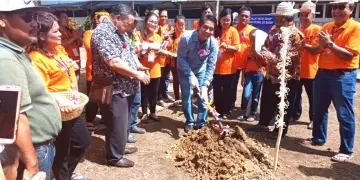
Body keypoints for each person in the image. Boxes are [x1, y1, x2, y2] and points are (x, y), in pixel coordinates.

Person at [0, 1, 62, 179]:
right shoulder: (6, 58)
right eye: (27, 17)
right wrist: (32, 163)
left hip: (40, 146)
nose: (34, 23)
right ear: (2, 20)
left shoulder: (15, 52)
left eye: (34, 17)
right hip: (33, 150)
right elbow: (15, 117)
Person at [28, 12, 90, 180]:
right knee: (62, 152)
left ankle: (64, 174)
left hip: (73, 107)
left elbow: (63, 64)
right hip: (59, 111)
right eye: (55, 31)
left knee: (82, 142)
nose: (60, 34)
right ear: (42, 35)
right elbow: (40, 91)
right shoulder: (37, 59)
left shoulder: (58, 49)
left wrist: (69, 65)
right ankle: (63, 175)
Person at [91, 3, 149, 167]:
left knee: (123, 121)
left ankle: (120, 147)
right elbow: (114, 61)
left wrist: (137, 65)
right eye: (128, 23)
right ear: (117, 18)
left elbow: (128, 52)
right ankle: (114, 157)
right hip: (114, 88)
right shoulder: (103, 32)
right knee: (116, 122)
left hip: (126, 86)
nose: (129, 27)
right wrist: (136, 74)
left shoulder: (120, 32)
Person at [303, 0, 360, 162]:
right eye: (334, 7)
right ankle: (318, 138)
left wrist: (329, 44)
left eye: (342, 7)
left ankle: (346, 150)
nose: (337, 11)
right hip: (322, 73)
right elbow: (316, 50)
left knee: (344, 113)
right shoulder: (327, 27)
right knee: (318, 109)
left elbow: (349, 55)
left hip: (343, 75)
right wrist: (307, 46)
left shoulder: (356, 28)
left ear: (351, 9)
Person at [247, 2, 303, 140]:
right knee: (267, 100)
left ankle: (280, 130)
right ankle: (263, 123)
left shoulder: (296, 36)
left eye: (280, 18)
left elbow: (290, 59)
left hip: (288, 77)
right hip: (271, 74)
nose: (277, 21)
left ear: (288, 18)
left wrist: (271, 57)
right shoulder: (273, 30)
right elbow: (265, 46)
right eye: (276, 17)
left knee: (283, 104)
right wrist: (261, 52)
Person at [178, 14, 219, 132]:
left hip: (201, 70)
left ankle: (201, 121)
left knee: (204, 96)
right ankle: (190, 121)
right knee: (187, 96)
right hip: (184, 70)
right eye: (205, 27)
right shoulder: (186, 38)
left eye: (211, 29)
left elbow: (211, 65)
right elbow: (181, 59)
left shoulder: (213, 44)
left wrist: (206, 84)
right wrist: (190, 75)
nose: (208, 31)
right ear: (199, 26)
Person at [292, 0, 322, 129]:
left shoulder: (317, 29)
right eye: (302, 15)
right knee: (295, 95)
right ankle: (295, 115)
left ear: (313, 16)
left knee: (313, 98)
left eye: (307, 15)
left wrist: (305, 45)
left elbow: (317, 49)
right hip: (298, 70)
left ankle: (313, 119)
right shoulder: (297, 30)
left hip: (312, 70)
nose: (303, 18)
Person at [83, 10, 110, 131]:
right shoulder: (89, 32)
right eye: (101, 18)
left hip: (105, 71)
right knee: (92, 97)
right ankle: (89, 119)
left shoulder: (109, 33)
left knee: (105, 96)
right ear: (96, 19)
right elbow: (89, 47)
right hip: (92, 71)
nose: (103, 21)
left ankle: (105, 117)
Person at [138, 12, 167, 122]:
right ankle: (145, 112)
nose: (153, 24)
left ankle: (153, 112)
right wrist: (143, 52)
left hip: (155, 67)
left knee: (154, 91)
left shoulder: (158, 37)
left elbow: (161, 54)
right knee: (144, 91)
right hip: (143, 67)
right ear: (146, 22)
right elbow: (136, 53)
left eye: (155, 22)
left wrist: (160, 53)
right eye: (151, 21)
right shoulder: (139, 35)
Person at [213, 8, 240, 119]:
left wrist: (227, 47)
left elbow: (237, 48)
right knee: (217, 91)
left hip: (229, 68)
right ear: (220, 19)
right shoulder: (215, 31)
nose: (225, 22)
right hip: (216, 68)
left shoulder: (233, 31)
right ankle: (218, 110)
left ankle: (226, 111)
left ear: (231, 20)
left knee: (228, 91)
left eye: (228, 20)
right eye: (224, 20)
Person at [125, 10, 146, 142]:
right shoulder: (121, 36)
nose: (135, 24)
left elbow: (137, 54)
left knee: (136, 101)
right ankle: (125, 131)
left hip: (135, 73)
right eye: (133, 21)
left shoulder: (135, 35)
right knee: (127, 104)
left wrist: (141, 52)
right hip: (126, 75)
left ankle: (132, 125)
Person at [238, 29, 267, 122]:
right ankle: (244, 112)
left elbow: (265, 64)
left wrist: (258, 56)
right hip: (249, 74)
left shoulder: (263, 49)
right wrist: (242, 77)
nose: (253, 41)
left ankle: (253, 113)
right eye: (251, 39)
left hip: (258, 74)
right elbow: (243, 64)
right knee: (246, 94)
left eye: (255, 39)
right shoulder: (247, 49)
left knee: (256, 95)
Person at [232, 7, 256, 112]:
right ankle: (231, 104)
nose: (244, 18)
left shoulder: (253, 30)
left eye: (246, 16)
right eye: (242, 15)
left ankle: (244, 108)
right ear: (238, 16)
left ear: (250, 18)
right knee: (232, 86)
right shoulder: (232, 29)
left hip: (247, 64)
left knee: (246, 86)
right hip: (233, 62)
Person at [55, 11, 83, 80]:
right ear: (57, 19)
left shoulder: (71, 31)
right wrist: (73, 38)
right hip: (66, 65)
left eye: (67, 18)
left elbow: (80, 44)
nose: (67, 19)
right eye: (64, 17)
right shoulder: (56, 33)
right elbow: (60, 46)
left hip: (76, 63)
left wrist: (78, 37)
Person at [157, 10, 174, 106]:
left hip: (167, 57)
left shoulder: (169, 27)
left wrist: (168, 37)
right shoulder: (156, 28)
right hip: (159, 59)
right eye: (162, 16)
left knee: (166, 78)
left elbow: (171, 41)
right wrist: (164, 37)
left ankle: (164, 94)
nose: (164, 18)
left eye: (165, 16)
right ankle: (159, 98)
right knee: (160, 79)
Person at [170, 15, 186, 106]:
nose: (181, 26)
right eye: (179, 24)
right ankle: (176, 98)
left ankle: (185, 98)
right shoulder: (172, 35)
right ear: (175, 24)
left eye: (183, 25)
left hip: (184, 60)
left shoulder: (187, 35)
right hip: (174, 60)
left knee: (184, 80)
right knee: (176, 80)